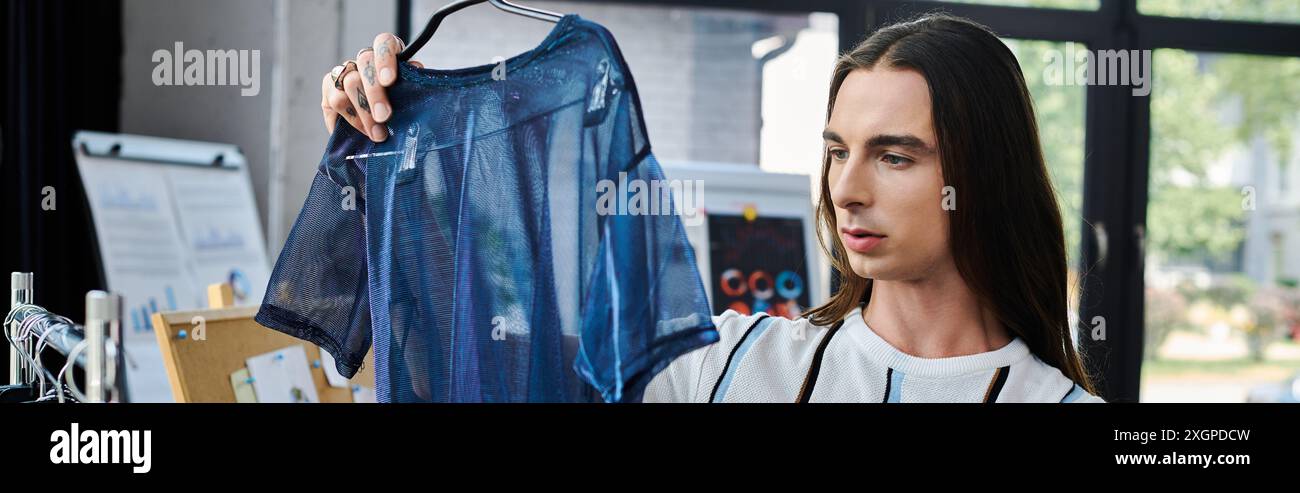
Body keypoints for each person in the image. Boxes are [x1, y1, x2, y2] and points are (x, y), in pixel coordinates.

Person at [321, 13, 1103, 403]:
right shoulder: (725, 364)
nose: (848, 188)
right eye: (837, 150)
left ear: (982, 173)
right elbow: (493, 360)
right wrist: (396, 160)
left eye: (894, 155)